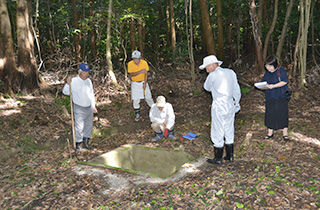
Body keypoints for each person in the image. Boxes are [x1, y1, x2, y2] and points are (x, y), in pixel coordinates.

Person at [200, 55, 241, 165]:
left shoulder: (212, 75)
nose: (206, 70)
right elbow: (236, 89)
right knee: (229, 128)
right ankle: (229, 156)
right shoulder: (231, 72)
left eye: (207, 67)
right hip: (230, 103)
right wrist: (236, 102)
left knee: (217, 129)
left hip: (219, 104)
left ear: (213, 65)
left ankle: (218, 158)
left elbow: (206, 87)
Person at [62, 63, 98, 152]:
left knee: (88, 125)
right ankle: (78, 144)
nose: (87, 74)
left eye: (88, 72)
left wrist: (93, 105)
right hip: (79, 107)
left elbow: (91, 94)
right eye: (85, 72)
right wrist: (68, 83)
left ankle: (86, 143)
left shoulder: (88, 81)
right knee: (79, 127)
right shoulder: (74, 81)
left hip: (88, 107)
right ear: (79, 72)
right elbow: (65, 92)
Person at [262, 55, 290, 141]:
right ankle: (270, 133)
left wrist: (273, 86)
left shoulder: (280, 71)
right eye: (266, 66)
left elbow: (284, 81)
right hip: (270, 97)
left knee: (282, 114)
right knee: (270, 114)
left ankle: (285, 134)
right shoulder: (267, 74)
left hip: (280, 96)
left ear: (274, 65)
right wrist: (263, 86)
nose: (268, 68)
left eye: (270, 66)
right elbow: (264, 83)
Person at [128, 50, 154, 121]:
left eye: (136, 59)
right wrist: (140, 72)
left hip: (143, 82)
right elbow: (131, 74)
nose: (135, 60)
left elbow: (146, 74)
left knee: (148, 98)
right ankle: (137, 114)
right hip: (135, 83)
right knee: (136, 100)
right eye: (134, 59)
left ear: (139, 58)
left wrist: (145, 83)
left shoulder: (144, 63)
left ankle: (155, 112)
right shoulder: (130, 64)